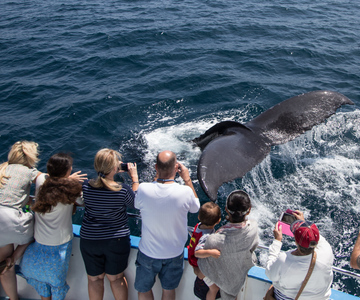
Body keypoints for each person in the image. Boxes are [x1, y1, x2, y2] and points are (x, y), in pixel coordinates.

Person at [134, 150, 200, 300]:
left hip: (148, 253)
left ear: (156, 167)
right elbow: (196, 208)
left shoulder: (144, 188)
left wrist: (157, 179)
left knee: (143, 290)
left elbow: (137, 203)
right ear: (176, 168)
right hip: (174, 253)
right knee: (169, 290)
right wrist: (187, 179)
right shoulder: (184, 192)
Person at [19, 153, 84, 300]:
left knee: (43, 286)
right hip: (60, 245)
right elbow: (82, 202)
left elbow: (44, 177)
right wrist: (69, 182)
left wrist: (65, 180)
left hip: (39, 241)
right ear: (67, 171)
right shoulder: (71, 188)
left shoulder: (42, 181)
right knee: (57, 284)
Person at [80, 148, 139, 300]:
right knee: (116, 278)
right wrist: (135, 179)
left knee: (94, 279)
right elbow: (136, 203)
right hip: (116, 241)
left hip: (90, 240)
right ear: (115, 168)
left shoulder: (86, 186)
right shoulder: (122, 190)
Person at [198, 190, 258, 300]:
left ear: (226, 209)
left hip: (223, 281)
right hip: (240, 278)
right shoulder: (253, 228)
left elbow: (201, 272)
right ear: (249, 210)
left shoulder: (213, 240)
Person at [0, 141, 42, 300]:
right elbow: (47, 181)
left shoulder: (2, 168)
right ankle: (13, 259)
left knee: (3, 250)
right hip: (12, 220)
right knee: (33, 234)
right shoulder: (30, 171)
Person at [265, 210, 334, 300]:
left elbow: (270, 273)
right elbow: (317, 239)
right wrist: (304, 224)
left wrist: (277, 241)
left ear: (296, 242)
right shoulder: (326, 250)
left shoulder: (284, 260)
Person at [187, 202, 221, 300]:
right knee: (214, 289)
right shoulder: (206, 236)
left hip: (193, 260)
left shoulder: (199, 226)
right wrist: (212, 253)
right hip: (199, 265)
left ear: (199, 217)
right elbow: (197, 252)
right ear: (218, 221)